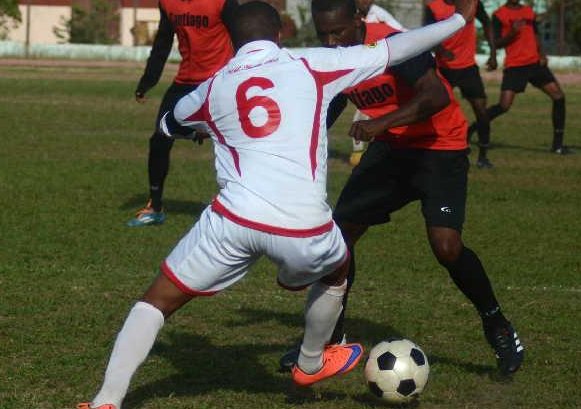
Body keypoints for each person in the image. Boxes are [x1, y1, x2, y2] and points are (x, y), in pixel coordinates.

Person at [77, 1, 475, 408]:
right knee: (338, 265)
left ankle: (105, 401)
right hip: (303, 229)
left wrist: (202, 126)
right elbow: (401, 47)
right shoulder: (314, 64)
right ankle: (310, 361)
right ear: (281, 33)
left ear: (231, 41)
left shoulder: (213, 87)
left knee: (156, 301)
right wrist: (459, 20)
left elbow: (169, 123)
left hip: (231, 222)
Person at [279, 0, 524, 376]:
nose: (332, 43)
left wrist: (380, 124)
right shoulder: (337, 55)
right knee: (339, 240)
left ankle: (497, 324)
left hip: (439, 149)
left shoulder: (394, 47)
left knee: (446, 247)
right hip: (393, 150)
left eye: (339, 32)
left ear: (358, 20)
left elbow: (436, 95)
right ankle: (330, 339)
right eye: (323, 34)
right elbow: (332, 102)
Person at [127, 0, 239, 227]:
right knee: (160, 139)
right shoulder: (168, 2)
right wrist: (148, 80)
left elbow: (242, 38)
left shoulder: (222, 2)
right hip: (185, 82)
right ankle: (155, 207)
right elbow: (163, 42)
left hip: (218, 82)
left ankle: (238, 208)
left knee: (233, 144)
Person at [467, 0, 569, 154]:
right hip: (515, 66)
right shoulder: (499, 15)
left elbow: (535, 34)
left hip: (535, 63)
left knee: (559, 97)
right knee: (504, 106)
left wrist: (541, 53)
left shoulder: (528, 11)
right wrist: (512, 33)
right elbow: (496, 43)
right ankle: (472, 129)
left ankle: (558, 146)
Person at [425, 0, 497, 169]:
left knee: (481, 111)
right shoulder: (433, 6)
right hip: (444, 67)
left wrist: (493, 53)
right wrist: (441, 50)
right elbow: (426, 34)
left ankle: (483, 156)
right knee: (434, 112)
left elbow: (487, 23)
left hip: (468, 68)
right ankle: (432, 152)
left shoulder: (471, 3)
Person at [349, 0, 406, 166]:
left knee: (371, 108)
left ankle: (365, 150)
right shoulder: (352, 15)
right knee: (364, 108)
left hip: (379, 67)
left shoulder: (379, 14)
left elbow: (401, 32)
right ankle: (359, 151)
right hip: (363, 67)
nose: (365, 2)